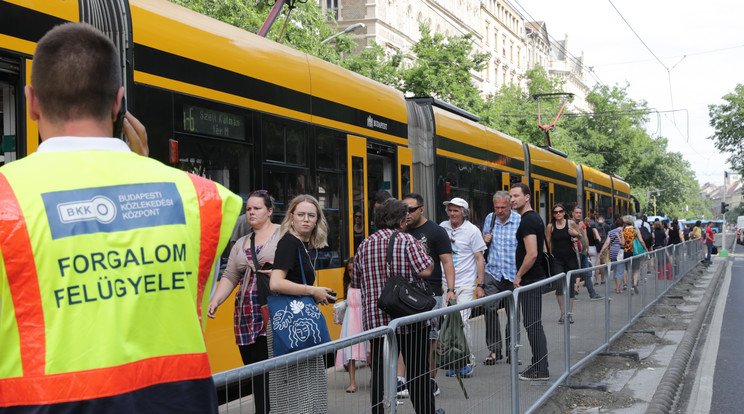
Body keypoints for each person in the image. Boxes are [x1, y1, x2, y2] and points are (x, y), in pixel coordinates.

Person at [0, 23, 242, 412]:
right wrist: (143, 174)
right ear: (118, 102)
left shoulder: (6, 201)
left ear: (31, 102)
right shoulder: (201, 199)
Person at [352, 198, 438, 414]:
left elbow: (356, 282)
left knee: (380, 374)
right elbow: (426, 270)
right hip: (409, 317)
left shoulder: (364, 244)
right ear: (401, 221)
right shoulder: (407, 240)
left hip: (377, 320)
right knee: (417, 372)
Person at [207, 191, 280, 414]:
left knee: (266, 374)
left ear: (269, 211)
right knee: (255, 373)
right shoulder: (241, 242)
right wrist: (215, 300)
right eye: (248, 209)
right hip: (245, 317)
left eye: (257, 208)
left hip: (271, 314)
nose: (251, 212)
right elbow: (230, 276)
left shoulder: (283, 235)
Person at [268, 194, 336, 414]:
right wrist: (311, 290)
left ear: (317, 220)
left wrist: (317, 294)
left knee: (304, 386)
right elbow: (276, 283)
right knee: (298, 390)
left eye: (311, 215)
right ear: (292, 217)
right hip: (291, 325)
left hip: (297, 322)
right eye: (301, 214)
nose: (306, 219)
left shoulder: (300, 245)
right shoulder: (289, 242)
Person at [402, 193, 456, 397]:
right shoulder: (401, 230)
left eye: (411, 210)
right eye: (403, 210)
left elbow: (447, 262)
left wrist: (450, 290)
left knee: (430, 340)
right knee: (405, 337)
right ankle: (407, 381)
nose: (407, 214)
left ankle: (431, 381)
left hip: (431, 293)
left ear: (421, 209)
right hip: (406, 293)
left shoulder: (436, 231)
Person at [439, 197, 487, 378]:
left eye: (456, 211)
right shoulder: (442, 227)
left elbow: (479, 258)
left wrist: (480, 285)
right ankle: (454, 360)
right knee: (449, 325)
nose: (452, 214)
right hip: (445, 285)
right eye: (450, 210)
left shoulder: (472, 231)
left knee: (463, 321)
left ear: (464, 213)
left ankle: (467, 359)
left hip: (466, 283)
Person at [510, 183, 549, 381]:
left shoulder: (527, 221)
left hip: (531, 278)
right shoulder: (534, 218)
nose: (512, 200)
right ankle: (539, 365)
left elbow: (533, 253)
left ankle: (541, 368)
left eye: (516, 195)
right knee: (533, 324)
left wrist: (518, 276)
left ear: (527, 197)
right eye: (511, 196)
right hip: (534, 277)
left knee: (533, 324)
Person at [481, 191, 520, 364]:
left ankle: (513, 350)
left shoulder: (519, 221)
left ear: (510, 205)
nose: (500, 210)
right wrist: (485, 240)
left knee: (513, 313)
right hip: (493, 272)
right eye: (497, 207)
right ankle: (495, 349)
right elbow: (481, 248)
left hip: (513, 274)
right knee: (489, 309)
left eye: (503, 207)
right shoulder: (490, 219)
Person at [335, 257, 369, 394]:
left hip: (363, 320)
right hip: (350, 322)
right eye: (349, 271)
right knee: (350, 353)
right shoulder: (348, 285)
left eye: (355, 270)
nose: (352, 274)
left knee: (369, 351)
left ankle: (374, 377)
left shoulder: (366, 284)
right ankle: (352, 382)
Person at [546, 203, 581, 324]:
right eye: (555, 212)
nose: (558, 214)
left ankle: (569, 314)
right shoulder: (550, 226)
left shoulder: (570, 223)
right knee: (559, 286)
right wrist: (545, 257)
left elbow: (580, 236)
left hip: (570, 258)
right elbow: (547, 243)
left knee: (570, 286)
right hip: (557, 260)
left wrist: (575, 234)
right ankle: (563, 313)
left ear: (564, 212)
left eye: (560, 211)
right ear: (553, 214)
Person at [571, 207, 603, 300]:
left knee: (588, 273)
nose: (578, 214)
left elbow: (585, 237)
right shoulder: (571, 224)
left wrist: (587, 249)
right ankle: (572, 294)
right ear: (573, 214)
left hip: (583, 253)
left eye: (580, 213)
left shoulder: (581, 224)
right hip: (575, 253)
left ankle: (592, 294)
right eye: (576, 213)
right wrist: (579, 228)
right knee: (574, 274)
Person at [599, 216, 627, 294]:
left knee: (615, 269)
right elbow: (623, 243)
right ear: (623, 224)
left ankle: (617, 286)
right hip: (620, 252)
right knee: (620, 270)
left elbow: (607, 242)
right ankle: (618, 288)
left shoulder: (611, 232)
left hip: (612, 252)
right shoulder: (623, 231)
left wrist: (601, 251)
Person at [621, 215, 647, 294]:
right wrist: (645, 248)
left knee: (628, 269)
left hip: (626, 251)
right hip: (635, 251)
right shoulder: (636, 229)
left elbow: (623, 243)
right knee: (636, 269)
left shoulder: (623, 230)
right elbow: (641, 240)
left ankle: (629, 286)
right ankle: (634, 284)